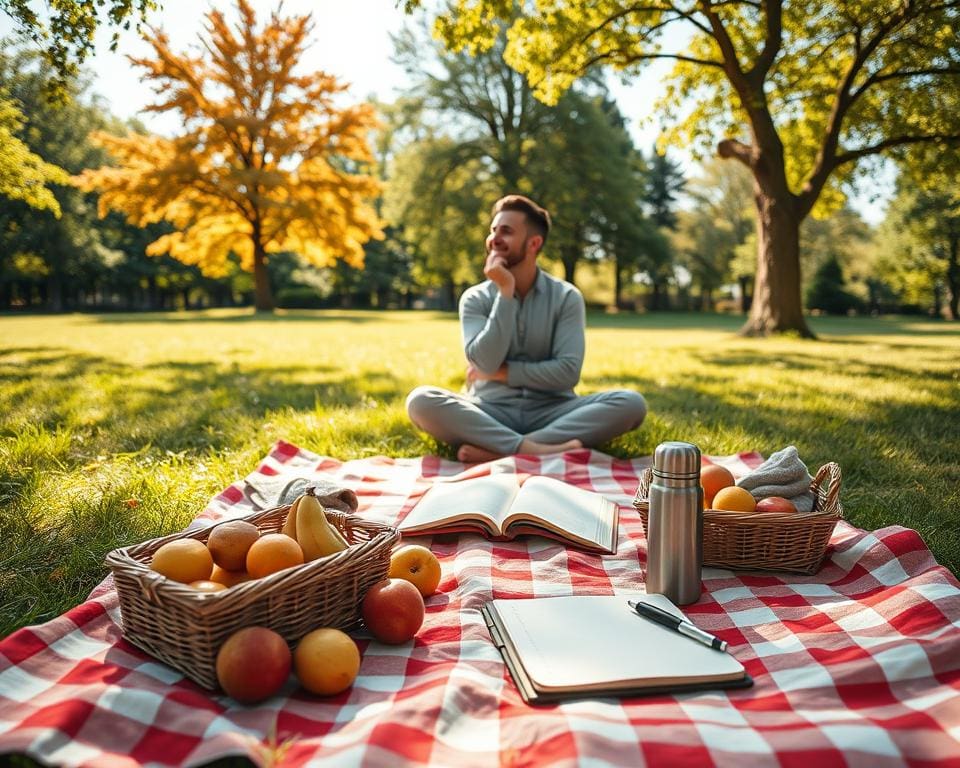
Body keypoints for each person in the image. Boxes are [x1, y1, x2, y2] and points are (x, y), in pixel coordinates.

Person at [406, 194, 647, 463]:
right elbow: (485, 363)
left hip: (553, 410)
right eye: (493, 230)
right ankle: (535, 450)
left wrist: (503, 372)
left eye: (506, 232)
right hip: (489, 410)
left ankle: (496, 450)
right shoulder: (474, 298)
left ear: (534, 243)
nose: (494, 239)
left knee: (631, 403)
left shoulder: (567, 297)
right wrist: (505, 293)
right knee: (420, 400)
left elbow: (567, 373)